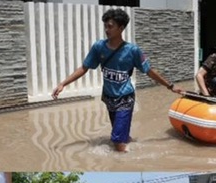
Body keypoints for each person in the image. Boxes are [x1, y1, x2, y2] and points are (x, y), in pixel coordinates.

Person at [52, 8, 182, 152]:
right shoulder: (99, 47)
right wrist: (63, 84)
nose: (107, 30)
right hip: (109, 97)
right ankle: (130, 148)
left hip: (125, 98)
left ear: (121, 28)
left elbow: (149, 71)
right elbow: (84, 68)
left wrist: (170, 86)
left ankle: (123, 160)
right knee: (121, 136)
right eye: (105, 26)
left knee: (117, 141)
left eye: (110, 26)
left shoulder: (132, 50)